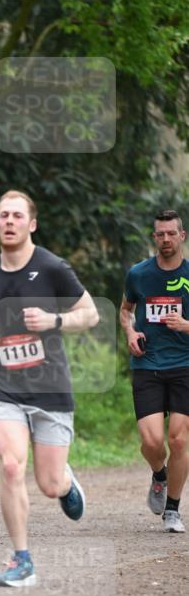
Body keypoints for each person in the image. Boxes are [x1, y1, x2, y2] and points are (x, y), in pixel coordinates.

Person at [0, 189, 99, 586]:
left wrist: (54, 321)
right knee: (11, 464)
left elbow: (90, 313)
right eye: (4, 215)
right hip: (5, 391)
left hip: (51, 391)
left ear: (31, 224)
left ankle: (64, 481)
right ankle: (22, 561)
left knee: (49, 485)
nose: (9, 221)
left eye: (17, 215)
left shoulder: (52, 268)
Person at [119, 209, 189, 533]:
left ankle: (173, 509)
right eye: (160, 234)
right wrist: (131, 333)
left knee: (178, 439)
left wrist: (186, 325)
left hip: (184, 365)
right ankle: (159, 475)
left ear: (182, 236)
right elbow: (125, 311)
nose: (165, 239)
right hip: (147, 363)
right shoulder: (138, 274)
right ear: (154, 237)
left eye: (171, 233)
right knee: (151, 442)